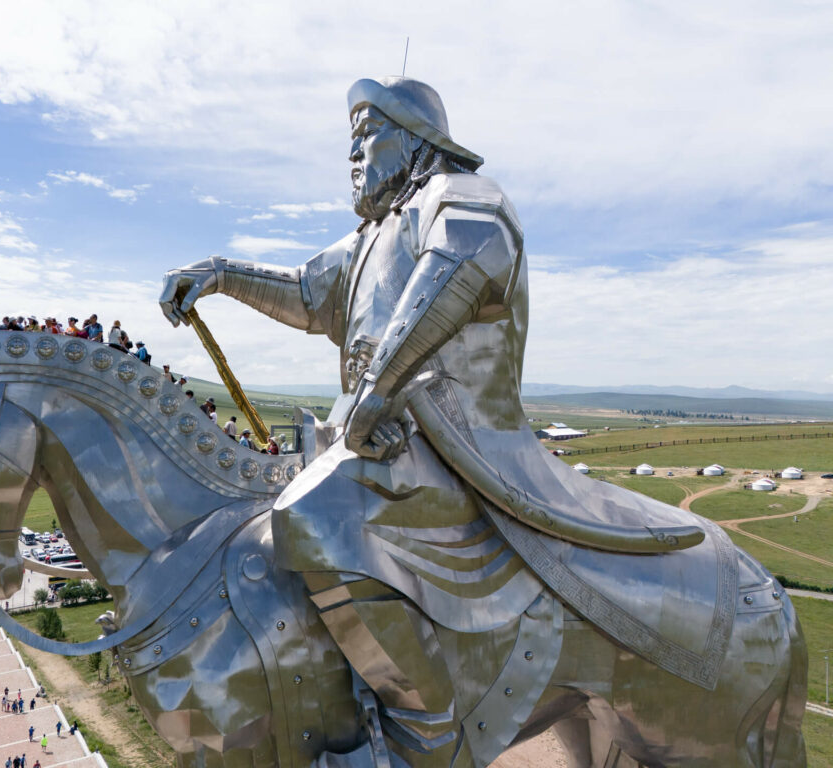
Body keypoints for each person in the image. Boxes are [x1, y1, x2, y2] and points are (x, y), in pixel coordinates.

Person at [160, 75, 659, 768]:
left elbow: (466, 260)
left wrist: (377, 387)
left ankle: (422, 734)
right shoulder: (372, 239)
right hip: (388, 447)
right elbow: (306, 294)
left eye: (365, 136)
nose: (353, 155)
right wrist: (218, 273)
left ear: (414, 141)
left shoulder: (461, 198)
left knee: (315, 515)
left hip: (463, 450)